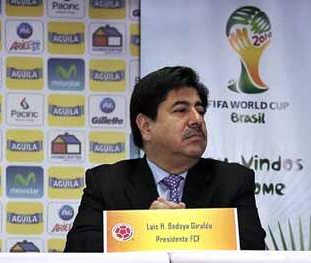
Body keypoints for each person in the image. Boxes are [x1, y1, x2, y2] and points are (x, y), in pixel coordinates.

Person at [65, 66, 266, 252]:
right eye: (181, 110)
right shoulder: (107, 182)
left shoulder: (233, 180)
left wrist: (175, 231)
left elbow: (252, 248)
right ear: (145, 126)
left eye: (200, 110)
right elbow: (79, 249)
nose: (197, 119)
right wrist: (148, 229)